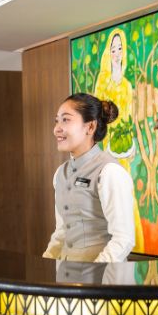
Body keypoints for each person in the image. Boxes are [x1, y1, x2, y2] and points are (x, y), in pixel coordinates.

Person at [43, 93, 135, 263]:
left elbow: (124, 239)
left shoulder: (110, 172)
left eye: (66, 120)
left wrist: (94, 276)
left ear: (90, 127)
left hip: (100, 281)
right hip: (65, 279)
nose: (57, 128)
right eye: (57, 121)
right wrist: (45, 268)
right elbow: (62, 232)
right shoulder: (60, 174)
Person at [93, 28, 145, 253]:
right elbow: (96, 119)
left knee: (126, 192)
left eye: (120, 48)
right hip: (107, 148)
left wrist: (130, 144)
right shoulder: (103, 82)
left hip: (125, 148)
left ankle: (133, 245)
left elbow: (131, 117)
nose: (116, 52)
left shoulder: (126, 85)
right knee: (109, 193)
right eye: (113, 48)